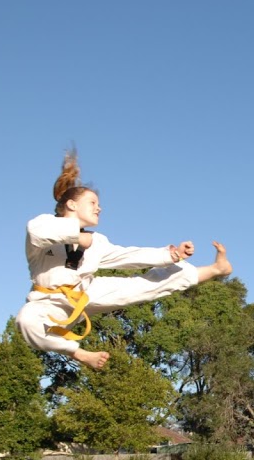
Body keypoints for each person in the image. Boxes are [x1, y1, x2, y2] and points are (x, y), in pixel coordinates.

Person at [16, 149, 232, 370]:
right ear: (72, 205)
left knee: (146, 286)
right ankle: (79, 354)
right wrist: (79, 236)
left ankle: (216, 269)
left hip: (87, 291)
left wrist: (171, 254)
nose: (99, 208)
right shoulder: (43, 225)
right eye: (92, 203)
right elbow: (36, 232)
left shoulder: (96, 241)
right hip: (48, 302)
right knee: (26, 321)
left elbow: (128, 256)